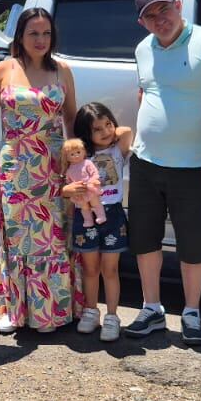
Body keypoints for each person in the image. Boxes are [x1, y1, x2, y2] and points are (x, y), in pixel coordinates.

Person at [123, 0, 201, 346]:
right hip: (146, 162)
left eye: (163, 10)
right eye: (150, 16)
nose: (159, 20)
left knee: (193, 242)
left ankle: (191, 312)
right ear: (142, 23)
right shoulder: (144, 49)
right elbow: (147, 92)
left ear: (177, 5)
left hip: (193, 166)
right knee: (144, 238)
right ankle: (152, 308)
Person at [0, 7, 77, 334]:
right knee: (17, 239)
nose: (40, 40)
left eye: (46, 33)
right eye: (33, 33)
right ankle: (12, 310)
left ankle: (54, 312)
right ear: (20, 35)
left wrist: (75, 160)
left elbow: (71, 119)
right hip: (15, 162)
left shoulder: (62, 70)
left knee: (53, 238)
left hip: (52, 164)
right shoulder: (4, 69)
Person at [69, 102, 133, 342]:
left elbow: (125, 131)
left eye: (108, 124)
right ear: (86, 134)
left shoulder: (118, 150)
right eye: (97, 129)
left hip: (113, 215)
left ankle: (112, 316)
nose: (106, 131)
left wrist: (109, 130)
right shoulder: (80, 158)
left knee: (111, 269)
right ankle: (91, 311)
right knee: (90, 268)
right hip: (85, 216)